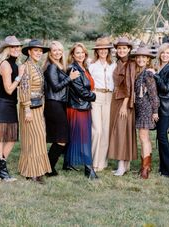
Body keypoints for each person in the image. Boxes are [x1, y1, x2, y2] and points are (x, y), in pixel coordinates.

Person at [44, 41, 79, 176]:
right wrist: (69, 78)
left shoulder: (59, 66)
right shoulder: (52, 67)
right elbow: (56, 87)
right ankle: (48, 167)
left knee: (61, 138)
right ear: (50, 53)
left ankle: (48, 166)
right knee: (61, 138)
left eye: (60, 50)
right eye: (55, 50)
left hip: (59, 104)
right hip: (53, 104)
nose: (58, 52)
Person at [18, 39, 51, 183]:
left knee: (39, 137)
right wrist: (26, 108)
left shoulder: (37, 66)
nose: (39, 53)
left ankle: (37, 170)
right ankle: (31, 172)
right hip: (29, 107)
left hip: (38, 106)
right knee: (32, 138)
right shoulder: (26, 67)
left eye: (40, 51)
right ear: (29, 52)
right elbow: (24, 88)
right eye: (36, 50)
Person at [65, 42, 97, 179]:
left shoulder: (84, 67)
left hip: (83, 106)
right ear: (72, 54)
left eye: (82, 52)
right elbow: (81, 91)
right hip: (78, 107)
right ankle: (88, 169)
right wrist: (95, 96)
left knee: (75, 136)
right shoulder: (73, 69)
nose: (80, 55)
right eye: (77, 52)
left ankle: (67, 163)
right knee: (84, 137)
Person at [108, 37, 137, 176]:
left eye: (124, 48)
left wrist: (125, 105)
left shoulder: (130, 64)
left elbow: (129, 86)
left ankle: (121, 164)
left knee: (121, 132)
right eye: (119, 48)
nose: (121, 50)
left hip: (124, 101)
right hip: (116, 100)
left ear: (129, 49)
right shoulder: (119, 62)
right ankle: (125, 164)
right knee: (121, 131)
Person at [0, 36, 24, 181]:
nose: (16, 49)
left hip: (10, 104)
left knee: (12, 137)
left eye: (18, 47)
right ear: (6, 49)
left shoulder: (15, 64)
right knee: (2, 138)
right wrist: (19, 77)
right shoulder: (5, 65)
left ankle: (1, 166)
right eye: (12, 47)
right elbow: (9, 89)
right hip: (2, 103)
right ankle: (2, 171)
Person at [89, 37, 116, 172]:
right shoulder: (92, 65)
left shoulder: (113, 65)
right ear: (97, 51)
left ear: (108, 51)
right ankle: (94, 161)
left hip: (109, 97)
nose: (103, 51)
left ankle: (102, 162)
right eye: (100, 49)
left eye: (105, 49)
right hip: (96, 96)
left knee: (105, 130)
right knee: (97, 130)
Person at [133, 46, 160, 179]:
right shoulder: (138, 72)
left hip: (146, 108)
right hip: (139, 108)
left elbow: (153, 94)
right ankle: (145, 165)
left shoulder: (148, 74)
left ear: (148, 59)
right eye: (138, 57)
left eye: (143, 57)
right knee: (144, 138)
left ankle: (145, 169)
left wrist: (155, 111)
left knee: (143, 138)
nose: (140, 59)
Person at [153, 43, 169, 177]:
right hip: (158, 106)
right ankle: (163, 167)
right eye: (163, 52)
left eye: (167, 53)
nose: (165, 55)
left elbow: (166, 88)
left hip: (167, 107)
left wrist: (155, 76)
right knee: (159, 136)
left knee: (162, 136)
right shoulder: (158, 67)